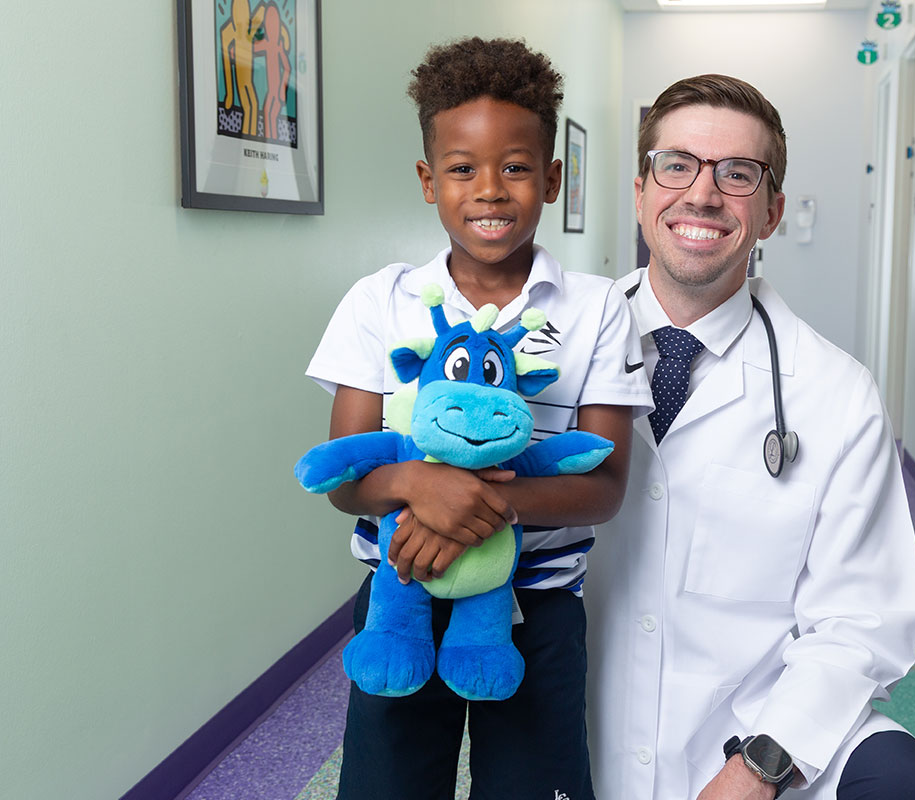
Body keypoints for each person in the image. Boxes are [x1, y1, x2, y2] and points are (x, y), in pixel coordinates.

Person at [584, 74, 915, 800]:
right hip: (573, 733)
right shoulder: (560, 350)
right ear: (641, 191)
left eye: (737, 174)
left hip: (770, 742)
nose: (701, 194)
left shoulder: (835, 393)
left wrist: (759, 766)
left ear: (772, 212)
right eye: (677, 165)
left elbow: (862, 620)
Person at [304, 37, 651, 800]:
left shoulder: (598, 310)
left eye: (516, 167)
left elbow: (606, 483)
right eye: (462, 169)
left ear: (552, 178)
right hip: (401, 590)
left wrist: (468, 506)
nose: (489, 190)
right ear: (430, 181)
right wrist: (417, 487)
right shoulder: (379, 302)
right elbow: (346, 480)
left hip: (538, 609)